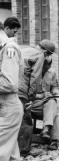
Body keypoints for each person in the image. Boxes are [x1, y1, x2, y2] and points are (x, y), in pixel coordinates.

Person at [18, 39, 56, 156]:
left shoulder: (22, 51)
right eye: (48, 54)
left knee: (15, 118)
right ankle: (24, 150)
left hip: (10, 87)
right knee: (26, 120)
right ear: (46, 52)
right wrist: (31, 97)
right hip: (22, 90)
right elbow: (34, 78)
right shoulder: (39, 55)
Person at [0, 17, 23, 161]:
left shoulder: (9, 48)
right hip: (5, 105)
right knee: (11, 153)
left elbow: (9, 83)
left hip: (9, 105)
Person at [31, 56, 59, 150]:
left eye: (47, 67)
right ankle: (55, 140)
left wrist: (56, 92)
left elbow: (54, 87)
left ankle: (45, 129)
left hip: (46, 103)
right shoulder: (32, 73)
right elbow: (25, 93)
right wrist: (40, 96)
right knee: (53, 113)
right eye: (44, 67)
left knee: (52, 102)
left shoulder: (52, 72)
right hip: (33, 103)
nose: (45, 70)